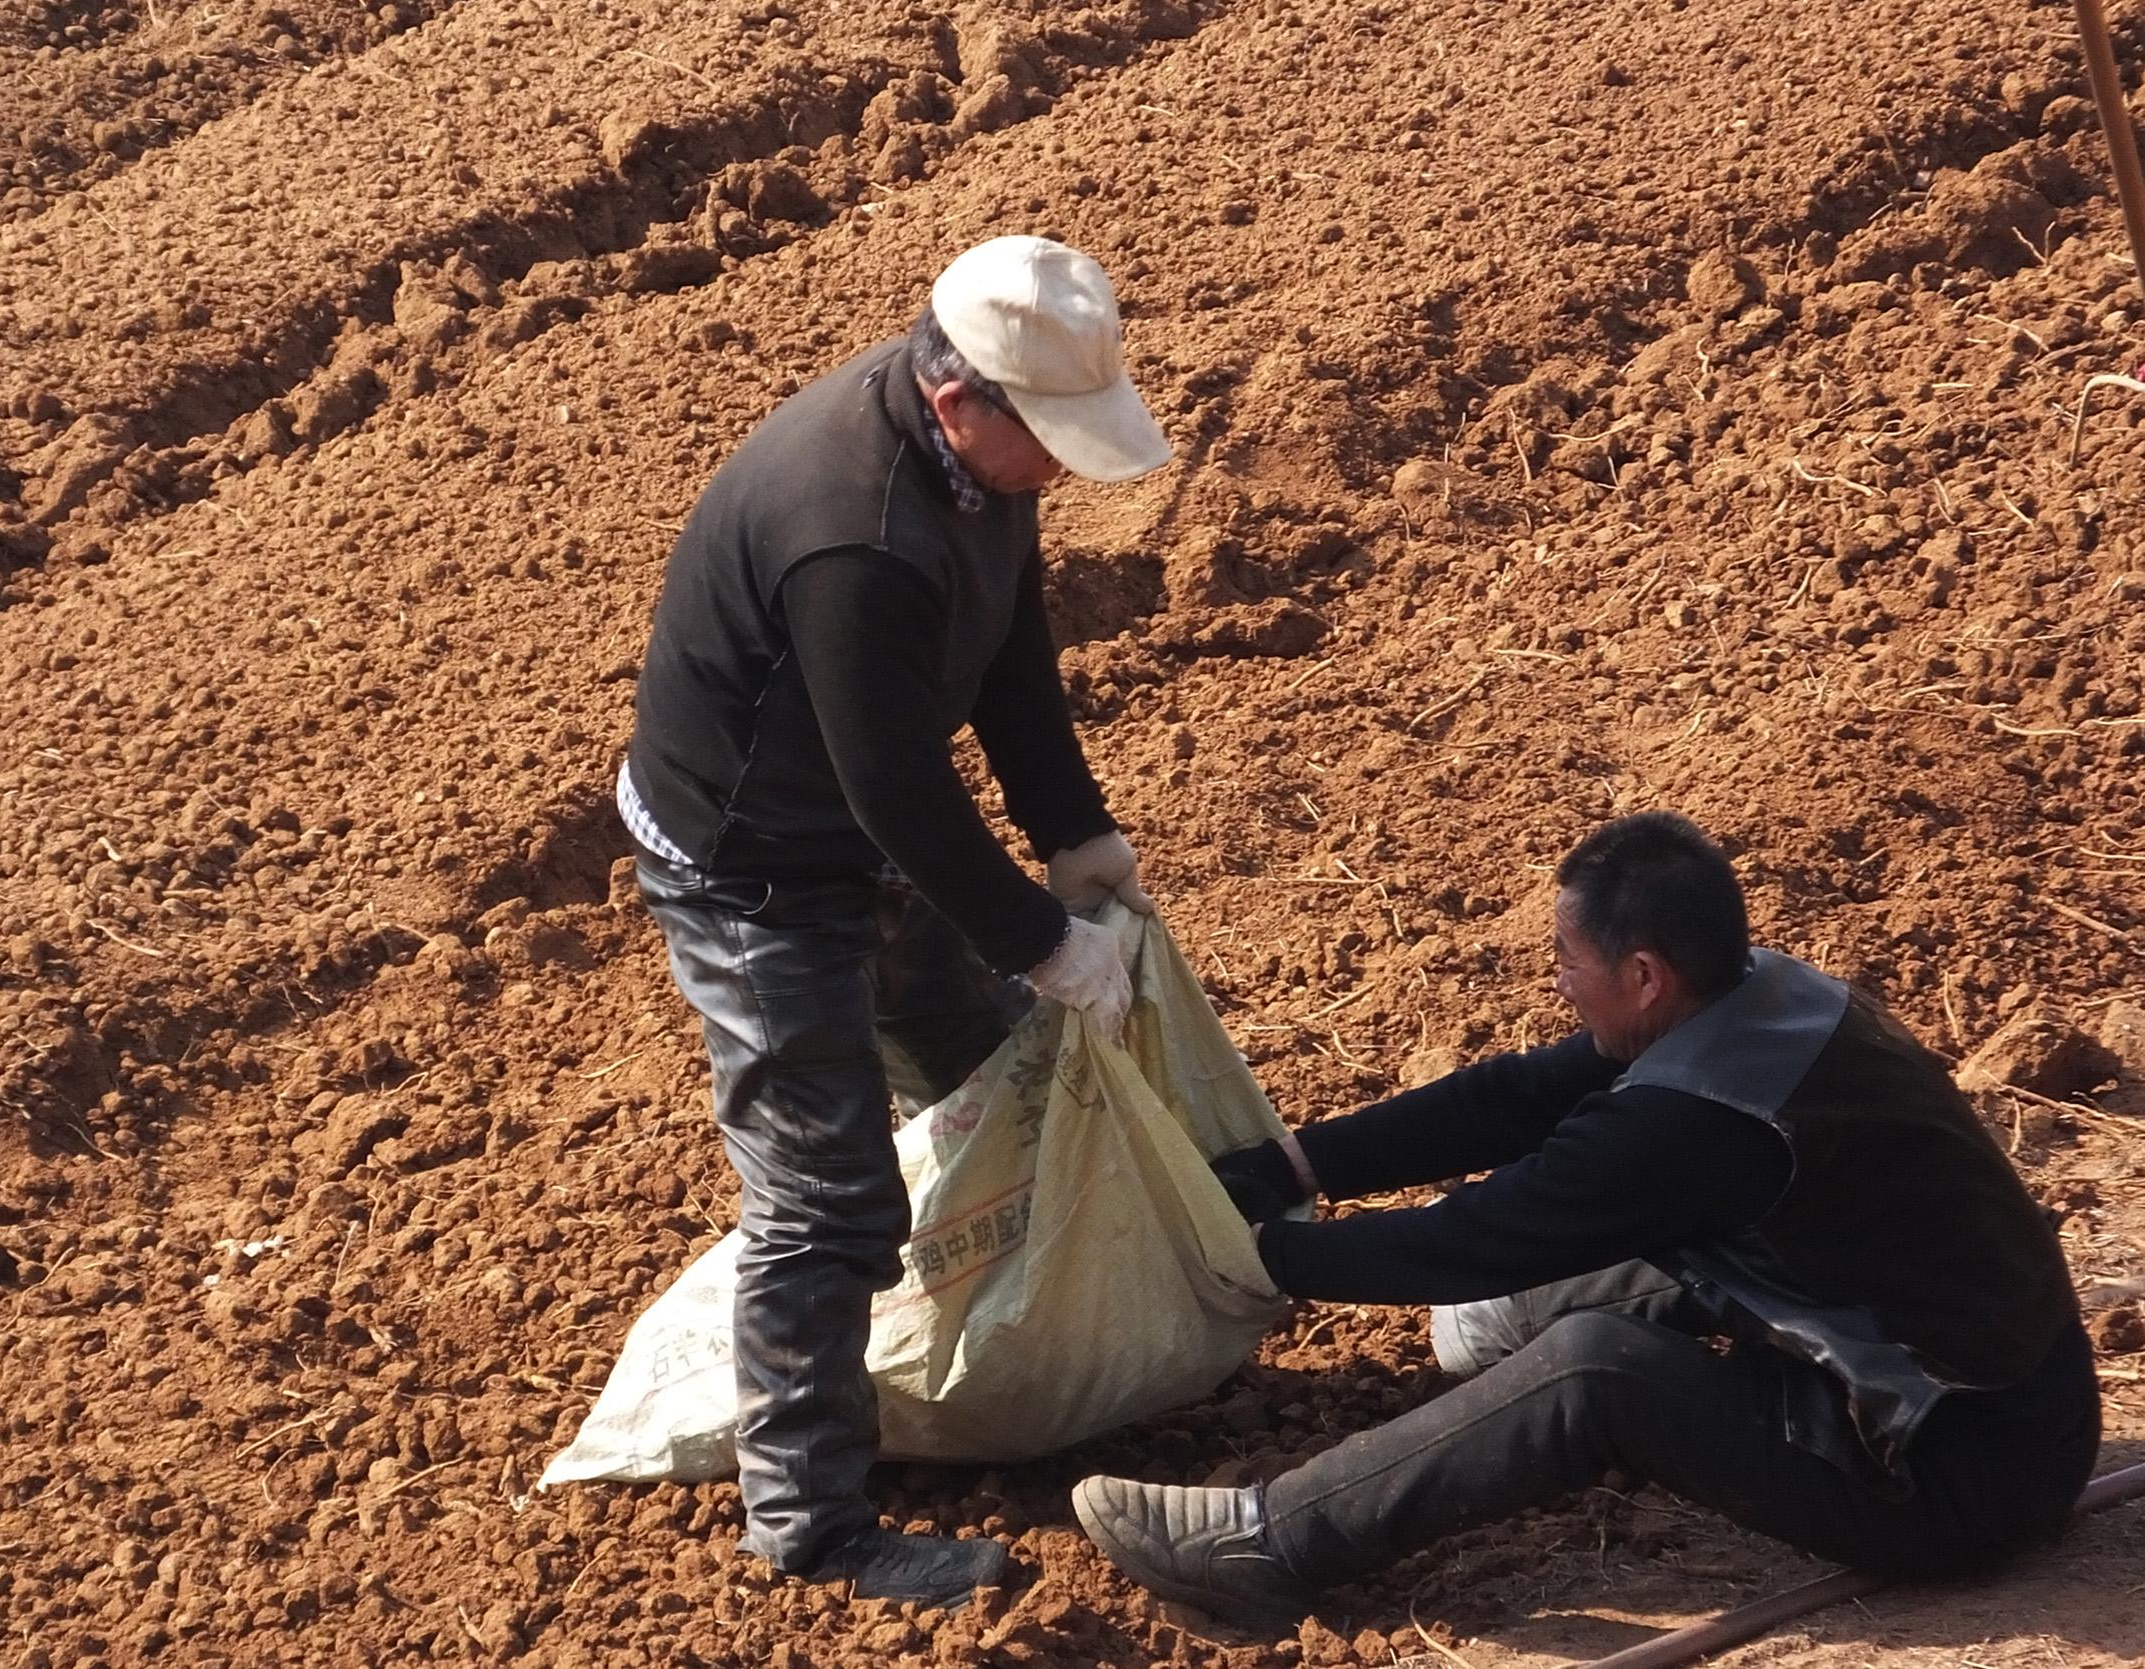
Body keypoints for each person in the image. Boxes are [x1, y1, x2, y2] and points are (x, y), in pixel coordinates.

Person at [1074, 810, 2100, 1625]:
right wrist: (1289, 1163)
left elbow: (1467, 1239)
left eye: (1567, 963)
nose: (1558, 986)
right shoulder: (1761, 995)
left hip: (1948, 1475)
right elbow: (1515, 1096)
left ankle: (1267, 1542)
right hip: (2006, 1386)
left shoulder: (1691, 1125)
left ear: (1643, 974)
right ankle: (1489, 1381)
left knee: (1591, 1370)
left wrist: (1247, 1257)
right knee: (1580, 1276)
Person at [618, 236, 1176, 1607]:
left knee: (990, 1072)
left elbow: (1007, 650)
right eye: (1045, 440)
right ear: (955, 401)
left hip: (853, 828)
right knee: (823, 1198)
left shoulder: (975, 467)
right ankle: (807, 1527)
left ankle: (1010, 1347)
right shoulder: (853, 525)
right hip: (750, 866)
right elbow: (892, 789)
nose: (1056, 469)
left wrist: (1071, 834)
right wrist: (1041, 943)